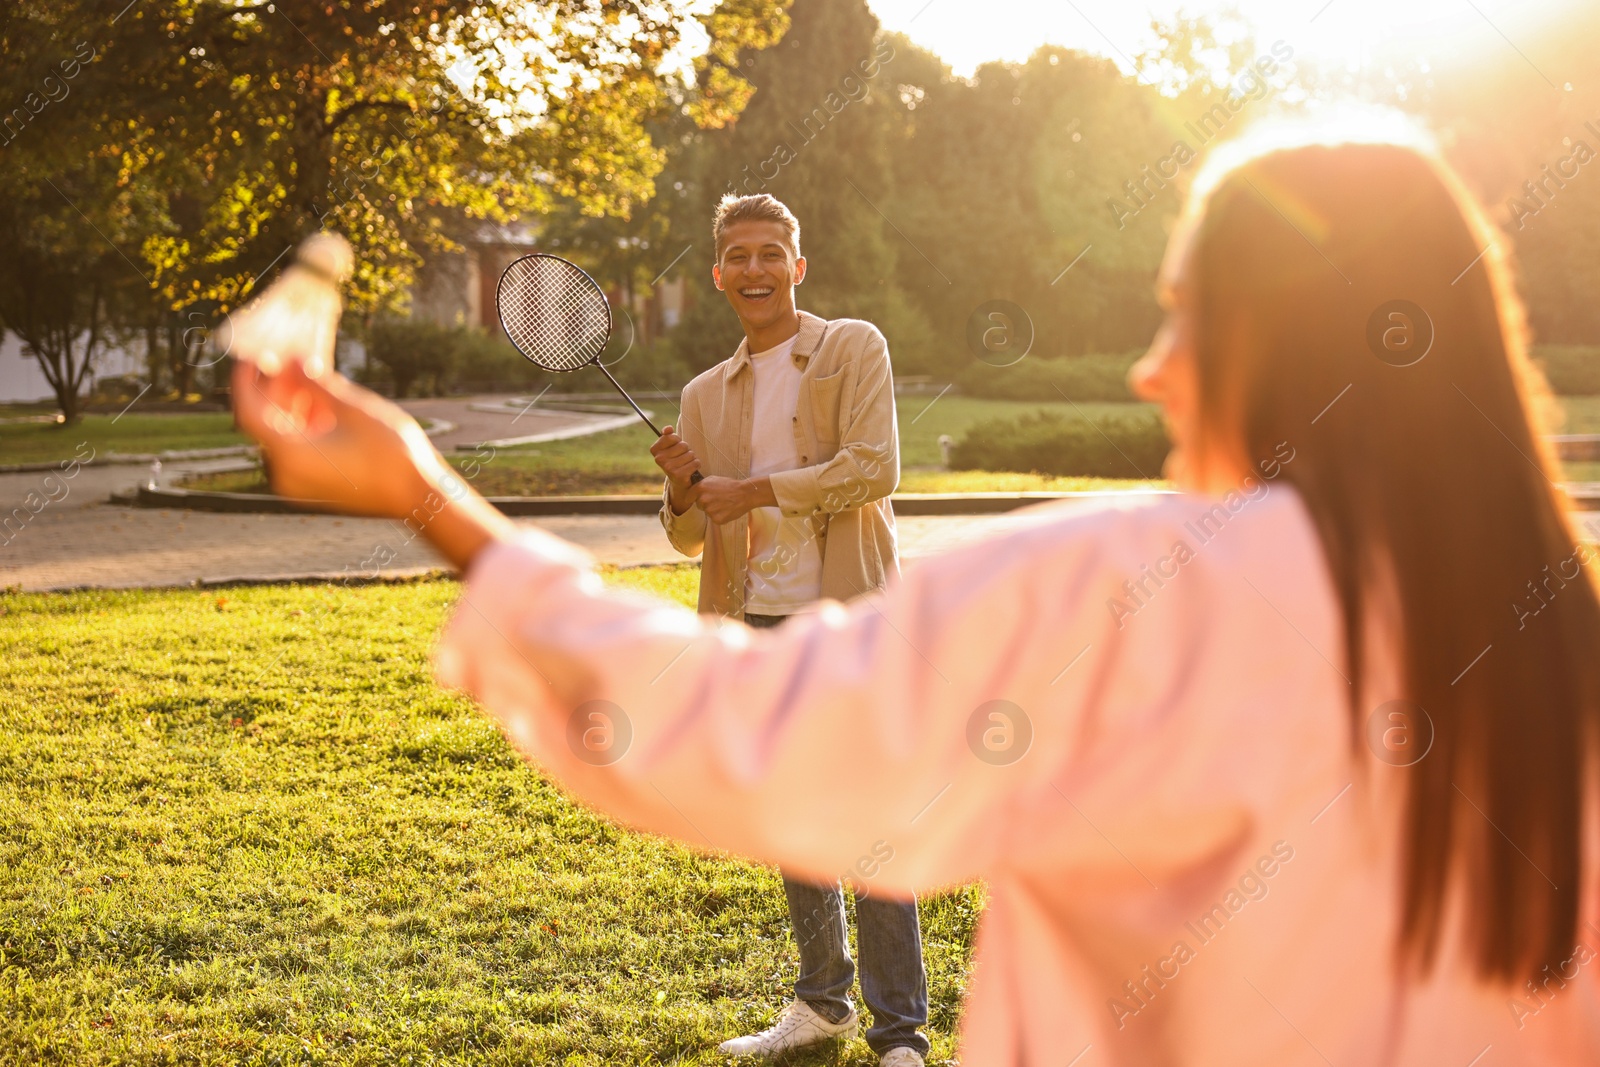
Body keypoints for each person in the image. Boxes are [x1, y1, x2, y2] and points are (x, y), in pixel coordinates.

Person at [234, 119, 1600, 1065]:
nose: (1149, 367)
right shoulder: (1560, 638)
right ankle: (828, 999)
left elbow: (745, 727)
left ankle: (887, 1016)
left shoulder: (1134, 589)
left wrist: (426, 497)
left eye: (1183, 312)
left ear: (1279, 334)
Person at [646, 192, 929, 1065]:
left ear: (797, 266)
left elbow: (875, 467)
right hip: (752, 626)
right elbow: (691, 534)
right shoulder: (703, 394)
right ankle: (822, 1004)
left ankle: (900, 1032)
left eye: (773, 252)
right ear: (720, 274)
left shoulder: (852, 347)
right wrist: (686, 487)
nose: (757, 268)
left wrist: (757, 488)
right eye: (740, 255)